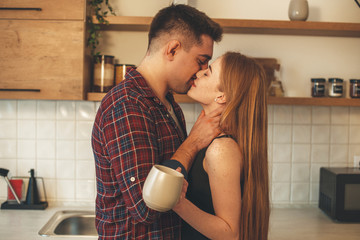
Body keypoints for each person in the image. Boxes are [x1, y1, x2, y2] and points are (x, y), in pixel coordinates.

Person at [91, 4, 223, 240]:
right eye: (201, 61)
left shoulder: (169, 104)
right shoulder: (127, 105)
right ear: (172, 49)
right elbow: (146, 206)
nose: (202, 71)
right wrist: (193, 142)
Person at [173, 52, 270, 240]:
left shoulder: (221, 149)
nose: (198, 73)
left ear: (222, 96)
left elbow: (230, 233)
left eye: (207, 73)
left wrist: (178, 204)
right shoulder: (215, 141)